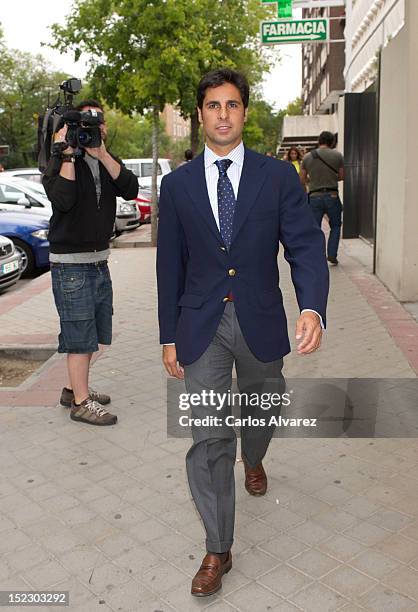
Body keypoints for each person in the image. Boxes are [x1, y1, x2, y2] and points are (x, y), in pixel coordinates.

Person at [157, 68, 329, 597]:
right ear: (201, 114)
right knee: (208, 435)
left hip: (258, 317)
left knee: (264, 406)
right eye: (213, 105)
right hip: (200, 322)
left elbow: (303, 245)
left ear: (245, 112)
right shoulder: (178, 185)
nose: (223, 114)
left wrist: (313, 307)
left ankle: (253, 457)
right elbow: (171, 266)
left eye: (232, 105)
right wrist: (168, 335)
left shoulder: (277, 177)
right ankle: (217, 547)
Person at [42, 99, 138, 425]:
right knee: (80, 338)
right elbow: (63, 200)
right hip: (70, 264)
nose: (93, 129)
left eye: (98, 122)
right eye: (85, 124)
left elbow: (130, 188)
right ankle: (80, 404)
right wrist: (67, 152)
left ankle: (72, 389)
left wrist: (102, 154)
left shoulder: (104, 158)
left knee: (94, 334)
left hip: (99, 261)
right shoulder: (57, 162)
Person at [300, 131, 344, 265]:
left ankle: (316, 256)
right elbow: (342, 176)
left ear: (319, 141)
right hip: (332, 195)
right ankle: (331, 254)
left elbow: (301, 179)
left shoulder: (307, 157)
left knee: (315, 228)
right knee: (336, 225)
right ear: (332, 142)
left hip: (314, 196)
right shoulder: (337, 155)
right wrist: (330, 178)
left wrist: (312, 181)